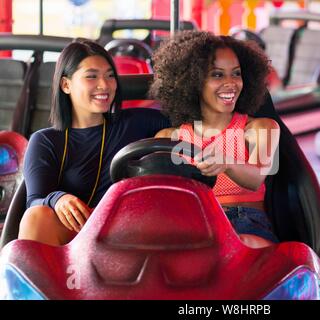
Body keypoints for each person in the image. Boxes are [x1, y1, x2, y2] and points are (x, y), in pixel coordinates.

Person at [19, 38, 170, 246]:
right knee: (36, 216)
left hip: (129, 237)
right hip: (73, 242)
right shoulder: (47, 141)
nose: (105, 85)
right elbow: (34, 201)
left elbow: (199, 122)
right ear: (66, 85)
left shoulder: (136, 122)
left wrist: (173, 132)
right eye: (91, 77)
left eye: (110, 76)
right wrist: (57, 199)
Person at [151, 31, 280, 248]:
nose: (230, 83)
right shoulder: (169, 138)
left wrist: (227, 162)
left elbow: (257, 177)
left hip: (245, 223)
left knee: (235, 246)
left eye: (236, 73)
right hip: (191, 225)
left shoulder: (261, 128)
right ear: (192, 81)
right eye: (217, 75)